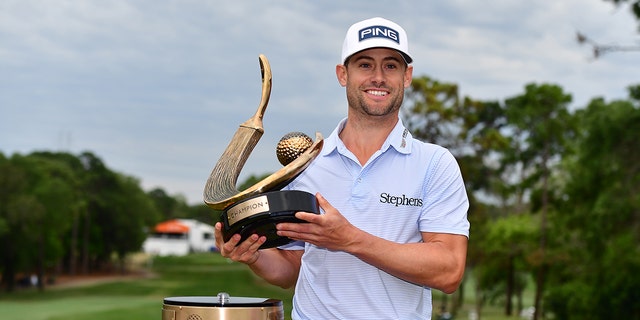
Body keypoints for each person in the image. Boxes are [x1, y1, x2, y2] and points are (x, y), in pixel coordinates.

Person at [215, 17, 470, 319]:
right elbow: (293, 269)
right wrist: (255, 254)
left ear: (407, 76)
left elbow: (449, 271)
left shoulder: (435, 163)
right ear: (342, 74)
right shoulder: (305, 166)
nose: (378, 77)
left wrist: (349, 239)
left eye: (391, 65)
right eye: (364, 65)